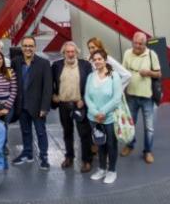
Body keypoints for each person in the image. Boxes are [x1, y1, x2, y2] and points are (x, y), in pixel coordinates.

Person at [11, 35, 52, 170]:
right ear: (22, 48)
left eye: (30, 46)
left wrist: (45, 106)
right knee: (25, 131)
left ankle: (44, 156)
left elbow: (47, 87)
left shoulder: (43, 63)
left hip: (38, 106)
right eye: (25, 46)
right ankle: (27, 153)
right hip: (22, 105)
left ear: (35, 47)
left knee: (41, 132)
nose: (28, 48)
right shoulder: (16, 62)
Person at [51, 41, 93, 172]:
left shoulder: (85, 65)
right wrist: (53, 95)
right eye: (67, 52)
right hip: (64, 105)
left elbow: (90, 84)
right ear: (63, 53)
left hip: (79, 105)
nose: (70, 54)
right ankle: (69, 156)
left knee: (84, 134)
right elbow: (50, 82)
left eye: (72, 51)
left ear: (76, 53)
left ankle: (87, 160)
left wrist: (84, 100)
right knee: (67, 132)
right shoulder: (56, 65)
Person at [121, 31, 161, 164]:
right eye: (135, 43)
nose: (137, 46)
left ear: (145, 44)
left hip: (147, 98)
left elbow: (159, 74)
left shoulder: (151, 54)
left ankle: (148, 151)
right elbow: (123, 72)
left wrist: (149, 72)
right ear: (132, 42)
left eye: (141, 44)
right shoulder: (127, 53)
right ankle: (130, 145)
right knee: (130, 125)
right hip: (131, 96)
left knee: (149, 127)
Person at [85, 49, 122, 185]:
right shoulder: (90, 76)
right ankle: (101, 168)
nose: (97, 62)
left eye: (99, 59)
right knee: (100, 144)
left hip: (109, 118)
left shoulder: (114, 76)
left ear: (105, 60)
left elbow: (116, 98)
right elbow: (87, 96)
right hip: (94, 118)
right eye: (94, 60)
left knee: (111, 144)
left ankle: (112, 170)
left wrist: (103, 112)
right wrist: (95, 113)